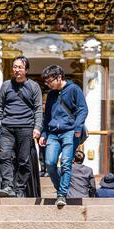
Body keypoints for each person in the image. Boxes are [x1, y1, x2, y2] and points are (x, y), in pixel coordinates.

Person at [0, 56, 43, 198]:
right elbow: (0, 106)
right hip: (7, 127)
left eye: (20, 67)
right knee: (5, 156)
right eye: (14, 67)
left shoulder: (33, 86)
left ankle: (19, 188)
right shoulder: (6, 85)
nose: (17, 70)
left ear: (26, 69)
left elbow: (38, 108)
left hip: (26, 127)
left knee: (24, 160)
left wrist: (37, 127)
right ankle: (8, 186)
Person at [39, 65, 88, 206]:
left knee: (66, 163)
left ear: (59, 77)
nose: (48, 85)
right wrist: (44, 133)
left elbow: (83, 109)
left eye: (50, 81)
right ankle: (61, 186)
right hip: (53, 133)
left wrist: (78, 127)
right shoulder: (51, 94)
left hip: (70, 131)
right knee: (49, 163)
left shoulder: (74, 90)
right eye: (46, 82)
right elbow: (47, 116)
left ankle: (61, 194)